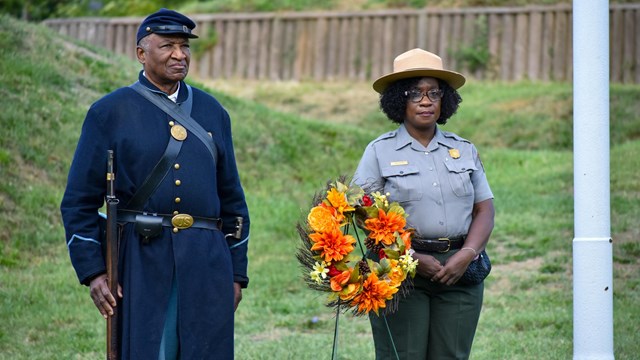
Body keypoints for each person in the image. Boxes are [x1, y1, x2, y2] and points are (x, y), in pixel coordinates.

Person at [60, 8, 250, 359]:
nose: (179, 55)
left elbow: (233, 201)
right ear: (141, 53)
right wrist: (94, 271)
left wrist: (237, 274)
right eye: (167, 46)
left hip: (206, 261)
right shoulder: (109, 113)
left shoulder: (213, 112)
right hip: (141, 262)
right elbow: (78, 202)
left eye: (184, 46)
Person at [352, 48, 495, 359]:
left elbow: (484, 209)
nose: (426, 100)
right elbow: (363, 215)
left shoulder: (464, 150)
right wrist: (411, 256)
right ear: (398, 100)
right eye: (414, 92)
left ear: (445, 100)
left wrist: (467, 255)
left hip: (460, 270)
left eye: (434, 92)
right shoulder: (379, 152)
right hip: (401, 272)